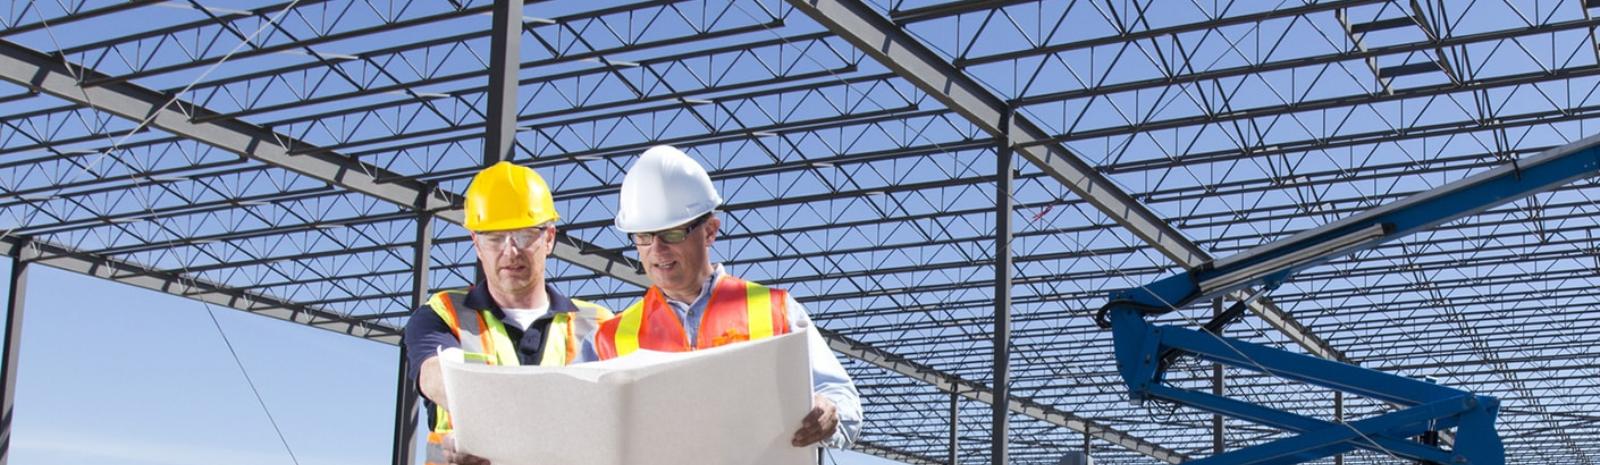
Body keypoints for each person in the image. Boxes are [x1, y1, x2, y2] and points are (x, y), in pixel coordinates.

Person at [582, 145, 863, 449]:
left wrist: (828, 413)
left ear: (711, 231)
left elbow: (844, 404)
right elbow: (576, 426)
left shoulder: (776, 311)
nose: (657, 250)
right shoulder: (607, 340)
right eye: (644, 237)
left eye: (672, 234)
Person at [403, 162, 614, 465]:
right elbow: (438, 380)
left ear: (550, 238)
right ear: (476, 244)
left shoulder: (598, 325)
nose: (510, 251)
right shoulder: (442, 315)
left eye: (525, 235)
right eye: (494, 238)